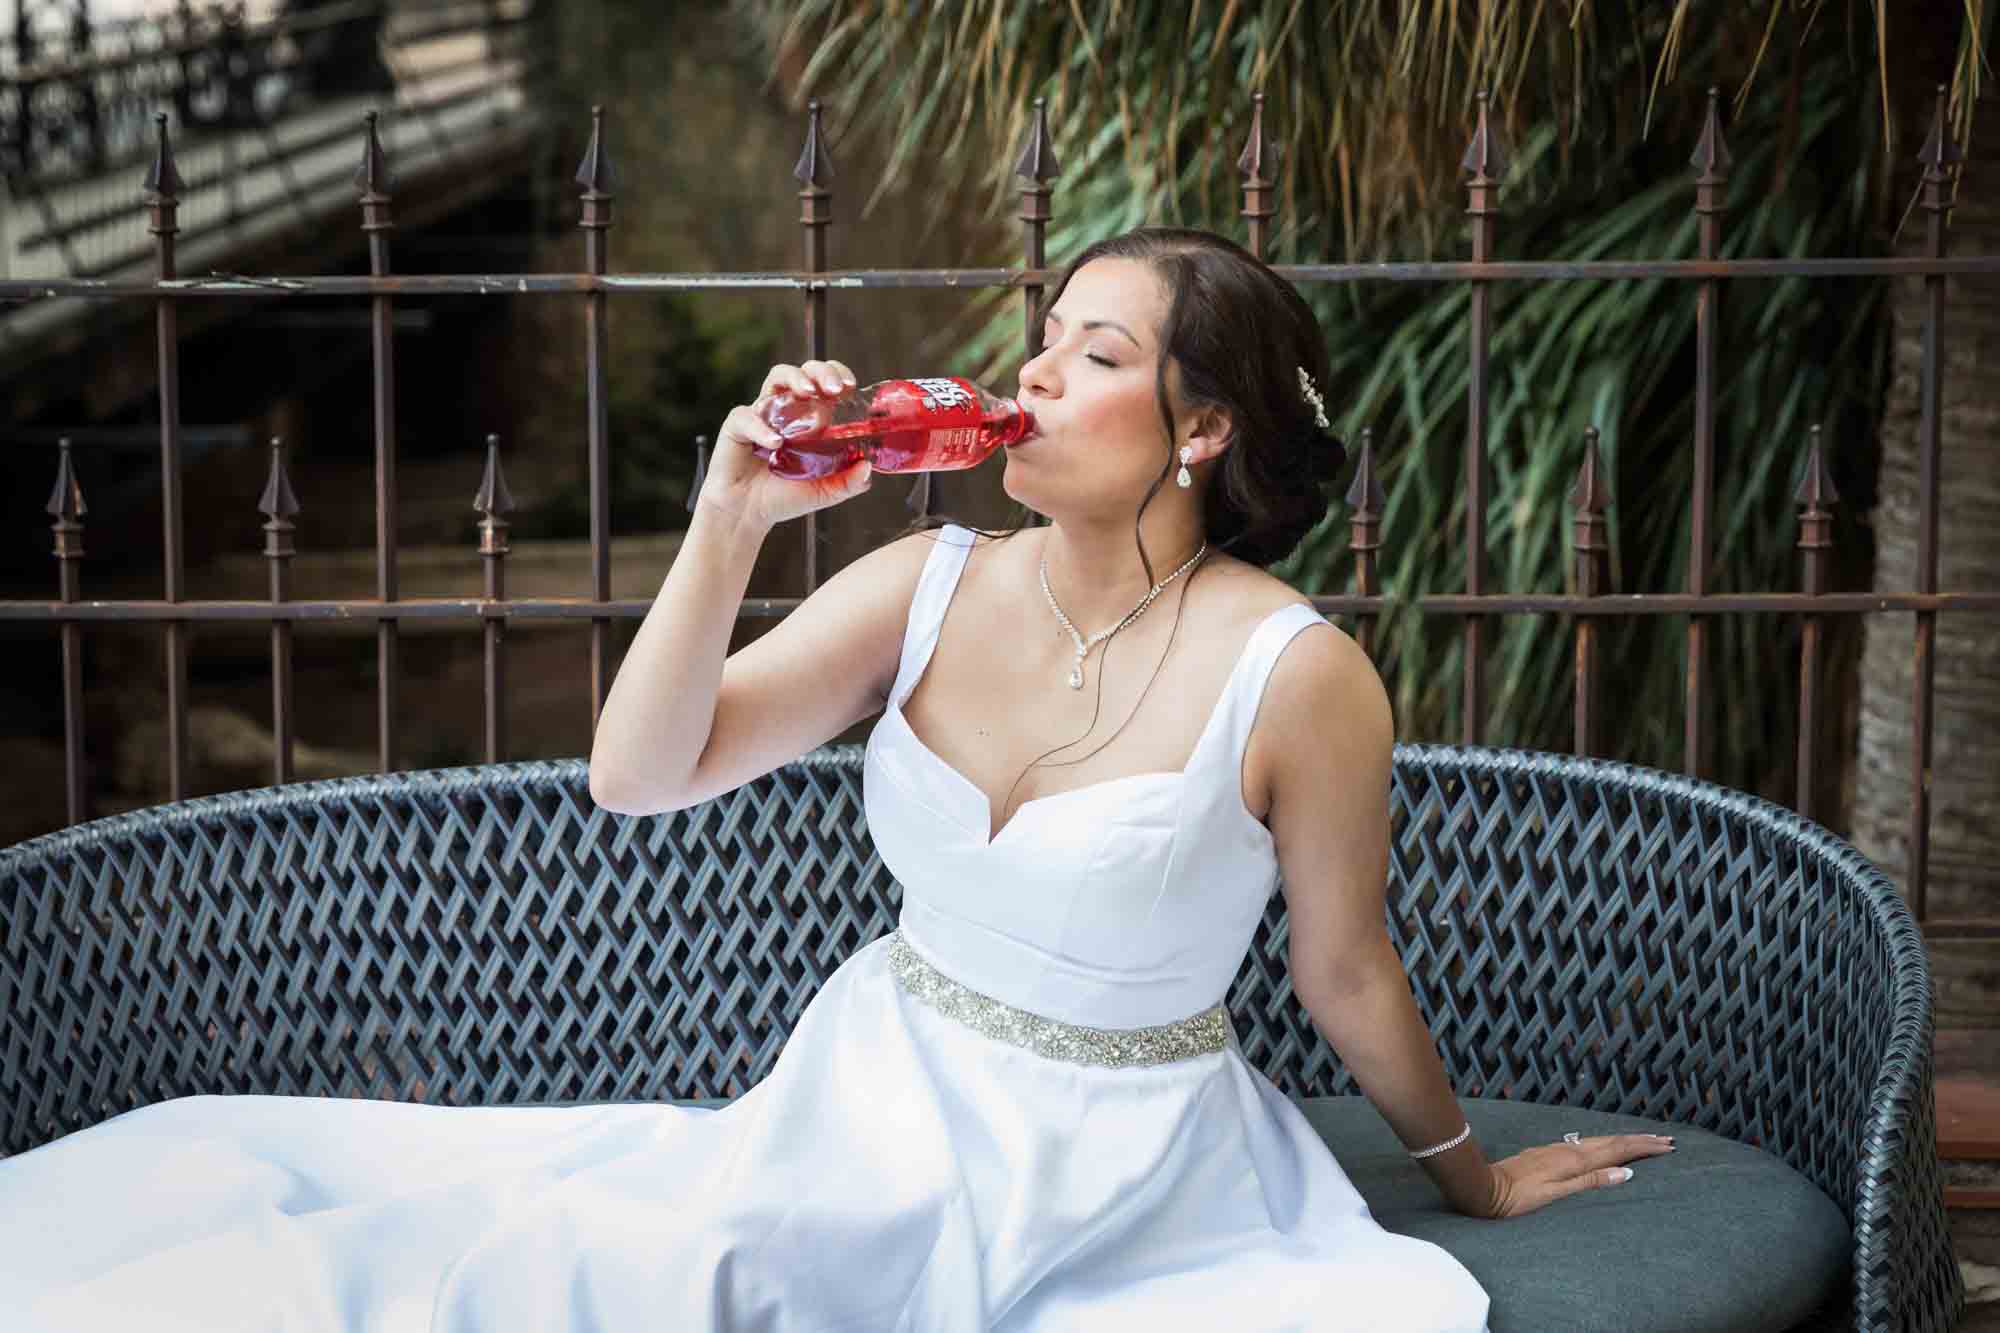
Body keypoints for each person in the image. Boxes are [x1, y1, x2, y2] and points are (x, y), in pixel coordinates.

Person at [0, 227, 1672, 1331]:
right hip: (864, 1100)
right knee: (536, 1266)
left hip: (1124, 1163)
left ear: (1202, 427)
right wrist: (733, 517)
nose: (1031, 371)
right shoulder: (929, 578)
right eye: (1042, 336)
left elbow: (1343, 965)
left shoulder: (1298, 674)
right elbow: (639, 775)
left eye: (1092, 353)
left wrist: (1474, 1175)